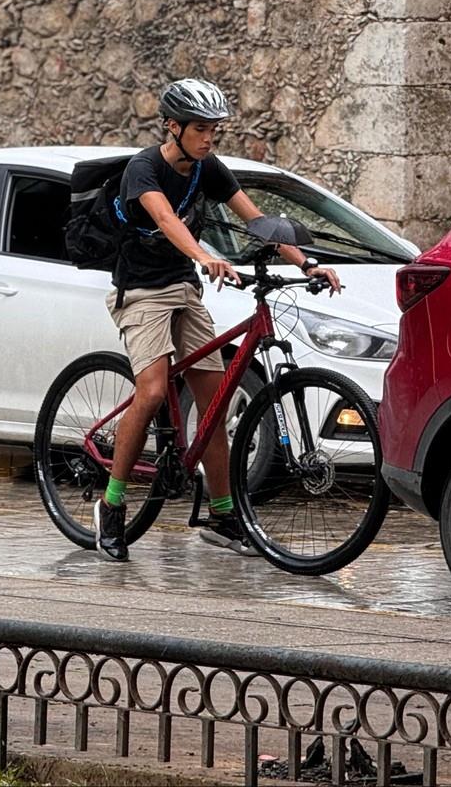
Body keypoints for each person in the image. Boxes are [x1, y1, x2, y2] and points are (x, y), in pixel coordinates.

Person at [95, 78, 341, 562]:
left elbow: (257, 220)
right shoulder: (142, 168)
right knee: (151, 391)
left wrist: (306, 264)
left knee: (213, 406)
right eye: (201, 129)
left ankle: (223, 516)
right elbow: (166, 220)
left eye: (214, 131)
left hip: (183, 288)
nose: (208, 139)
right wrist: (205, 256)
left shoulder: (207, 168)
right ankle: (112, 504)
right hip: (141, 292)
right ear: (173, 126)